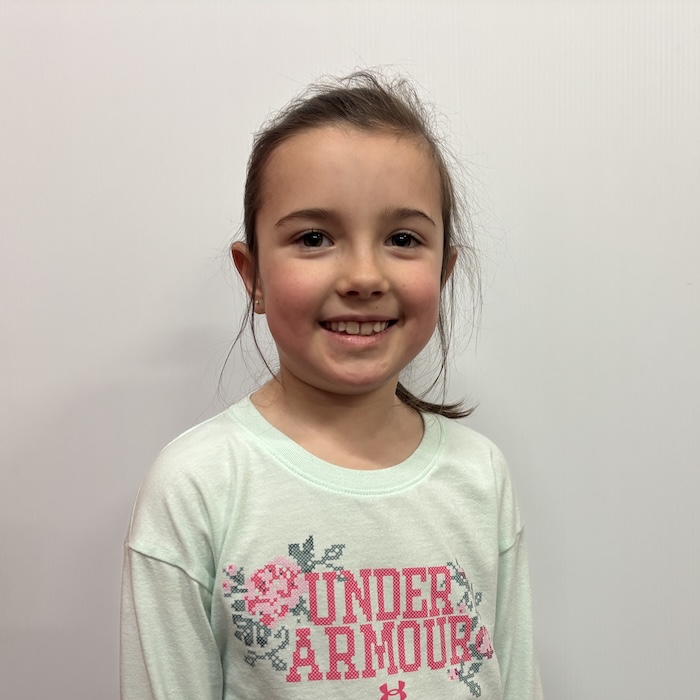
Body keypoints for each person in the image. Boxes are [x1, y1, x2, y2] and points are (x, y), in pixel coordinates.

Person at [120, 71, 543, 700]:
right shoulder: (197, 487)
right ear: (253, 276)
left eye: (402, 239)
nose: (364, 276)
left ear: (444, 270)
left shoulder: (481, 476)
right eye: (314, 238)